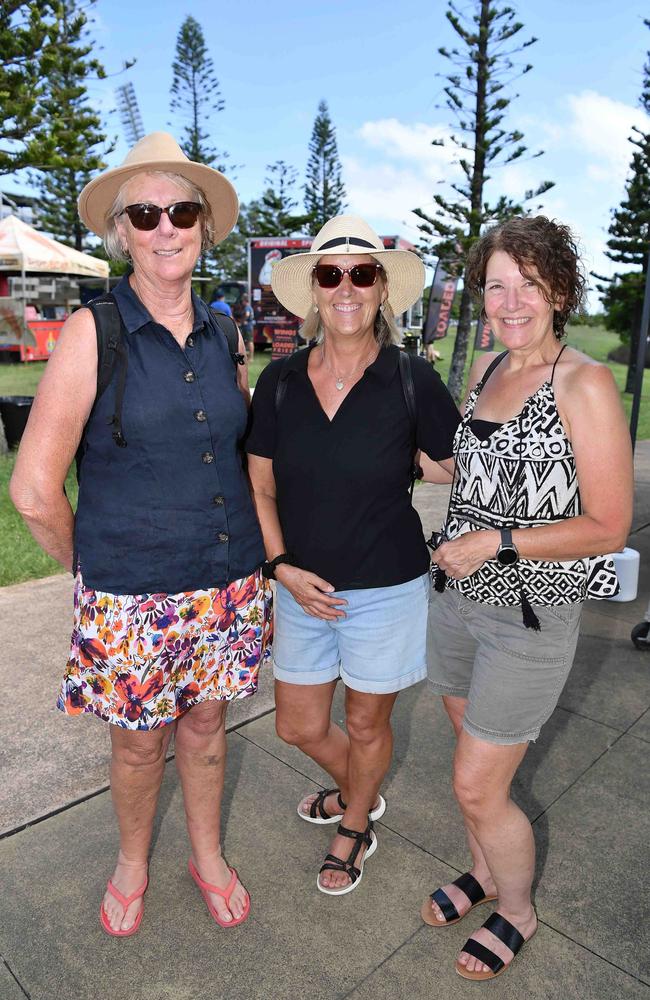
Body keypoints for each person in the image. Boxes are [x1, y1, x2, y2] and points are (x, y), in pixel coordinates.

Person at [10, 132, 272, 936]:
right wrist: (97, 570)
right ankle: (132, 861)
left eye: (181, 210)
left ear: (204, 226)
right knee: (136, 744)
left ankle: (206, 851)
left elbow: (237, 443)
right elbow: (31, 489)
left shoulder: (228, 331)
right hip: (131, 595)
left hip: (226, 581)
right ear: (121, 232)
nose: (166, 227)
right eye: (146, 213)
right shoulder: (96, 331)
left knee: (205, 726)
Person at [419, 215, 633, 980]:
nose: (510, 301)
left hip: (528, 618)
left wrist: (495, 542)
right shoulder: (485, 366)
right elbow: (475, 467)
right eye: (496, 285)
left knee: (478, 783)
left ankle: (516, 910)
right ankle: (483, 871)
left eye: (528, 285)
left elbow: (607, 524)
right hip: (455, 603)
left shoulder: (583, 382)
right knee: (474, 772)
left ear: (559, 291)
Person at [245, 215, 460, 896]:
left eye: (361, 274)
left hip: (386, 585)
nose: (346, 287)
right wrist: (280, 567)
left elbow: (451, 465)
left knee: (368, 721)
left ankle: (355, 821)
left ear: (381, 292)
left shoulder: (412, 378)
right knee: (297, 723)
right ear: (313, 288)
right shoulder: (278, 382)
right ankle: (359, 790)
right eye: (331, 274)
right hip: (299, 584)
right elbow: (260, 485)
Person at [233, 293, 255, 361]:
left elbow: (247, 315)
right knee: (247, 342)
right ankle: (247, 356)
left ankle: (251, 358)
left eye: (242, 301)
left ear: (245, 301)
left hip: (248, 327)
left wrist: (242, 322)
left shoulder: (247, 307)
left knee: (249, 341)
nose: (242, 303)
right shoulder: (250, 307)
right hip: (249, 327)